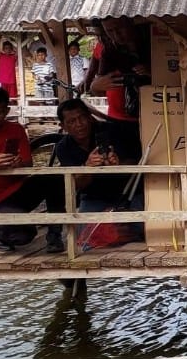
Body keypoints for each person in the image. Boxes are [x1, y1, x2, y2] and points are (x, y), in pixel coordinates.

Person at [54, 99, 143, 241]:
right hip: (94, 197)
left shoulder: (113, 131)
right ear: (63, 126)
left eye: (82, 117)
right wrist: (87, 168)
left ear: (90, 117)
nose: (79, 124)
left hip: (128, 193)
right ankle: (113, 232)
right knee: (84, 233)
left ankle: (114, 232)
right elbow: (77, 184)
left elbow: (138, 161)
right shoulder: (63, 147)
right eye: (71, 121)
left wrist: (119, 165)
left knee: (144, 226)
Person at [0, 87, 66, 252]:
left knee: (53, 178)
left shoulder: (16, 129)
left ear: (7, 111)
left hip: (17, 191)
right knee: (25, 234)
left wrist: (17, 163)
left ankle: (55, 235)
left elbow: (28, 163)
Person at [87, 17, 151, 160]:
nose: (116, 35)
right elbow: (96, 88)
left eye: (119, 28)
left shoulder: (152, 39)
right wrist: (95, 85)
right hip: (119, 119)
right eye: (110, 31)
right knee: (124, 160)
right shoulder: (109, 50)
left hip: (155, 115)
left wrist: (152, 72)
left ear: (130, 22)